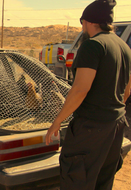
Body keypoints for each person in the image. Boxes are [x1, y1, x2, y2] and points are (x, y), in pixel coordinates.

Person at [45, 0, 131, 189]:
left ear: (89, 21)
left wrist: (58, 121)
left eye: (82, 21)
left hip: (91, 127)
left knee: (77, 178)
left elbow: (80, 90)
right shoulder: (123, 46)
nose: (81, 26)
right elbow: (127, 89)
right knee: (103, 180)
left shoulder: (92, 45)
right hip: (116, 126)